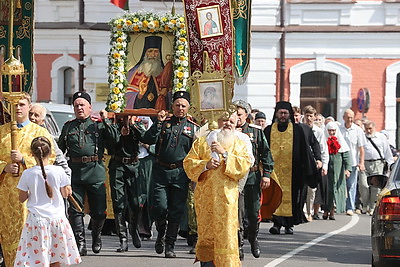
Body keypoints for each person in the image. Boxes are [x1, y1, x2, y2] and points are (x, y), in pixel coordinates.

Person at [183, 112, 252, 267]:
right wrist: (205, 165)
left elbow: (244, 166)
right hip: (205, 199)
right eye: (224, 120)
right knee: (207, 235)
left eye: (231, 121)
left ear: (236, 124)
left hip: (227, 199)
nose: (227, 124)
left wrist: (225, 154)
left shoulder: (239, 144)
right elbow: (188, 164)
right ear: (218, 121)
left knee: (226, 236)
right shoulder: (202, 142)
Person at [0, 93, 55, 267]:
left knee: (29, 235)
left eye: (22, 104)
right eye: (14, 105)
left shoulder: (40, 132)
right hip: (6, 195)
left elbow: (49, 160)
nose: (18, 108)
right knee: (8, 234)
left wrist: (25, 160)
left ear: (29, 107)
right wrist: (4, 167)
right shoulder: (2, 131)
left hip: (31, 195)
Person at [142, 90, 198, 258]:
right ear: (172, 106)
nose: (180, 108)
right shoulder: (164, 122)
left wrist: (194, 176)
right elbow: (148, 139)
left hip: (181, 173)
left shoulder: (194, 128)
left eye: (183, 106)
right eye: (177, 105)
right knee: (160, 206)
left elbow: (197, 153)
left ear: (188, 107)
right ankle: (160, 232)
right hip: (161, 171)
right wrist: (158, 124)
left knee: (176, 210)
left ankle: (169, 245)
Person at [58, 91, 113, 256]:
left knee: (99, 210)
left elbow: (114, 141)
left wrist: (107, 121)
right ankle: (80, 243)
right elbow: (60, 150)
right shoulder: (68, 126)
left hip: (95, 171)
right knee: (75, 209)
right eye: (76, 105)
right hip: (75, 172)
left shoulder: (98, 124)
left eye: (82, 105)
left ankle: (96, 236)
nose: (79, 108)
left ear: (90, 107)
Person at [15, 136, 81, 267]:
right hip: (57, 220)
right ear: (50, 153)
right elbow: (65, 194)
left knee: (36, 257)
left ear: (31, 153)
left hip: (37, 221)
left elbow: (21, 198)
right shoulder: (59, 171)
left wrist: (31, 191)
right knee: (55, 257)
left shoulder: (28, 174)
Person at [263, 101, 316, 235]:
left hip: (293, 172)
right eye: (280, 113)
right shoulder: (269, 130)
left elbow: (305, 151)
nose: (282, 116)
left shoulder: (297, 130)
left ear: (289, 115)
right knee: (275, 196)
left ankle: (289, 225)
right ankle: (276, 223)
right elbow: (263, 150)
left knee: (292, 198)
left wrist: (308, 169)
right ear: (276, 114)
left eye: (285, 113)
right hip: (274, 172)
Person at [234, 100, 274, 258]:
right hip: (235, 178)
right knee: (238, 213)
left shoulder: (255, 131)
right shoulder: (228, 131)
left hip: (252, 176)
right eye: (234, 114)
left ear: (246, 115)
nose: (237, 117)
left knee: (253, 212)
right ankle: (239, 246)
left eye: (240, 114)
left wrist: (267, 175)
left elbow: (266, 153)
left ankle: (253, 238)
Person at [106, 114, 148, 252]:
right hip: (118, 165)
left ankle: (133, 227)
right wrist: (112, 125)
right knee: (118, 203)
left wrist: (132, 124)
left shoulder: (137, 124)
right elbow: (111, 142)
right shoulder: (112, 125)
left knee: (136, 202)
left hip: (134, 165)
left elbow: (147, 138)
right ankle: (123, 239)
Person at [126, 36, 173, 110]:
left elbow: (172, 97)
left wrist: (165, 94)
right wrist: (139, 95)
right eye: (150, 51)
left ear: (159, 53)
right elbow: (127, 96)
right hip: (139, 114)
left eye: (156, 51)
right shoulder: (134, 72)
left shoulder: (165, 73)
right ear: (145, 53)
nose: (153, 55)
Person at [359, 120, 394, 215]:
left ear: (374, 128)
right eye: (366, 129)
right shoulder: (362, 137)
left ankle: (372, 207)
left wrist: (391, 165)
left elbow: (387, 151)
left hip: (377, 162)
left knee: (375, 186)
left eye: (370, 128)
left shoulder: (381, 137)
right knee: (363, 185)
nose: (368, 131)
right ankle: (364, 204)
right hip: (364, 163)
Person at [29, 103, 72, 179]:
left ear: (42, 121)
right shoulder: (18, 132)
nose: (32, 117)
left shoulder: (46, 136)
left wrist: (67, 181)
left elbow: (59, 159)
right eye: (30, 114)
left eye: (36, 115)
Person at [302, 105, 328, 221]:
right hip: (302, 161)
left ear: (314, 117)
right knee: (301, 187)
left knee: (312, 189)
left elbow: (323, 149)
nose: (309, 118)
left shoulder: (319, 132)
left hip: (313, 163)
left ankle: (309, 211)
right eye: (307, 115)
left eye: (311, 116)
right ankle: (302, 211)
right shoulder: (300, 129)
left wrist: (324, 164)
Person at [339, 109, 366, 216]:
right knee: (339, 184)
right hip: (340, 161)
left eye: (351, 117)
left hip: (353, 162)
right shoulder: (339, 129)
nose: (350, 119)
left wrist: (361, 162)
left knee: (351, 185)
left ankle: (350, 207)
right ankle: (339, 206)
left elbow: (361, 148)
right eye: (348, 117)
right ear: (343, 118)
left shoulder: (358, 130)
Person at [323, 122, 352, 220]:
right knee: (326, 191)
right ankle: (325, 210)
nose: (331, 133)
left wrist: (348, 169)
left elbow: (347, 157)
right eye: (329, 131)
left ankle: (332, 211)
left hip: (338, 171)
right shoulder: (323, 140)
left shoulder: (341, 142)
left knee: (335, 191)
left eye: (333, 131)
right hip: (326, 171)